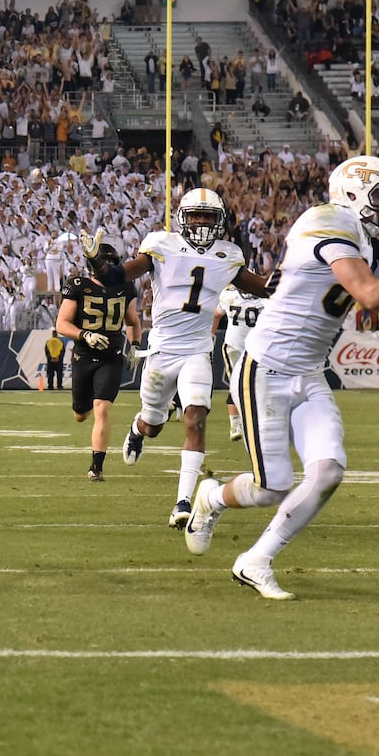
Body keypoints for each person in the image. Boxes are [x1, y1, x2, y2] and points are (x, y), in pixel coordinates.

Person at [187, 156, 379, 599]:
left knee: (328, 470)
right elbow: (371, 294)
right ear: (354, 193)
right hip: (266, 369)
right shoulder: (326, 219)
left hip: (308, 373)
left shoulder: (361, 240)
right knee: (270, 487)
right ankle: (212, 498)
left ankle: (255, 560)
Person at [119, 188, 270, 530]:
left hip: (197, 351)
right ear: (182, 219)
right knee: (153, 424)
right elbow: (125, 274)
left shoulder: (228, 254)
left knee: (195, 418)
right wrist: (102, 265)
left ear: (219, 221)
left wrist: (299, 279)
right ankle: (137, 428)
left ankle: (183, 501)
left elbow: (262, 288)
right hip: (162, 351)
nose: (201, 222)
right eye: (195, 215)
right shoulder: (161, 244)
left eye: (207, 216)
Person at [54, 229, 141, 483]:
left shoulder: (125, 288)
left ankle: (96, 466)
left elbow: (133, 321)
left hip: (111, 355)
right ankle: (86, 405)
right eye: (106, 263)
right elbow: (62, 323)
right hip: (83, 354)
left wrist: (134, 344)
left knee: (102, 407)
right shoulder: (78, 285)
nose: (110, 268)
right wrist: (85, 335)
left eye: (113, 264)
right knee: (80, 414)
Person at [214, 283, 264, 443]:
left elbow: (216, 315)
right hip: (243, 347)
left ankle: (240, 422)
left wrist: (210, 336)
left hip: (243, 347)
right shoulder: (265, 300)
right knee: (238, 385)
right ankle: (236, 423)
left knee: (245, 385)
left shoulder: (228, 295)